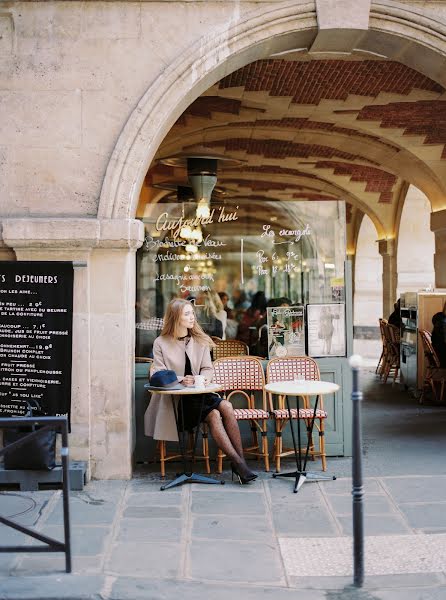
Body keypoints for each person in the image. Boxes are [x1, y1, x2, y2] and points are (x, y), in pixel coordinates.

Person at [144, 298, 257, 484]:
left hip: (200, 393)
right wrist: (181, 379)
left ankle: (240, 463)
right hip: (177, 402)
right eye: (187, 314)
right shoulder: (160, 343)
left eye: (192, 313)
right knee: (213, 415)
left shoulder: (200, 340)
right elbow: (157, 372)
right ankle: (239, 464)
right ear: (176, 317)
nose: (192, 317)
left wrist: (203, 379)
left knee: (227, 406)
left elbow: (208, 368)